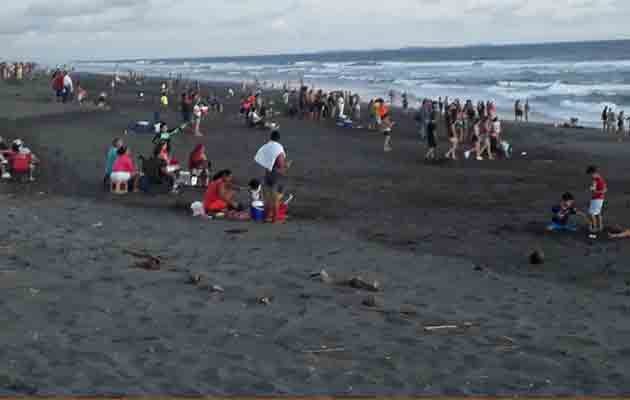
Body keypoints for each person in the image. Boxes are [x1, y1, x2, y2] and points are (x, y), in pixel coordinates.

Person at [254, 130, 290, 223]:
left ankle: (265, 218)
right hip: (275, 174)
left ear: (271, 137)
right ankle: (274, 219)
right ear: (278, 138)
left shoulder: (266, 146)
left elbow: (260, 159)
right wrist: (286, 165)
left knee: (267, 198)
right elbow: (280, 163)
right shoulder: (278, 147)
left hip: (267, 173)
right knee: (275, 198)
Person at [586, 165, 607, 239]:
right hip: (600, 199)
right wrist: (597, 191)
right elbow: (605, 189)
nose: (590, 176)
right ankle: (600, 227)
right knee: (598, 213)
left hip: (596, 199)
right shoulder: (601, 179)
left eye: (590, 174)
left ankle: (594, 228)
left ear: (593, 173)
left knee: (592, 214)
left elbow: (595, 189)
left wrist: (594, 190)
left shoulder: (595, 180)